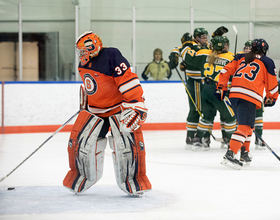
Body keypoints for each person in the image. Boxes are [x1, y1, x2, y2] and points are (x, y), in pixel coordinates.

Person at [63, 31, 152, 196]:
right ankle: (81, 176)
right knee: (81, 144)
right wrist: (86, 104)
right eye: (79, 51)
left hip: (118, 111)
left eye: (83, 50)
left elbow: (127, 79)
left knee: (127, 147)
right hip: (95, 112)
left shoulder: (111, 55)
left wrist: (136, 104)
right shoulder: (83, 65)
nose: (81, 54)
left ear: (92, 47)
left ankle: (134, 181)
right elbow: (94, 88)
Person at [216, 38, 279, 169]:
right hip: (249, 96)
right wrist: (271, 98)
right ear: (264, 50)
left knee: (246, 126)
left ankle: (244, 153)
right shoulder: (267, 61)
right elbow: (272, 85)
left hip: (234, 95)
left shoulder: (240, 57)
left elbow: (224, 71)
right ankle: (230, 154)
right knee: (245, 127)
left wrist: (221, 87)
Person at [179, 36, 236, 150]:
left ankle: (197, 139)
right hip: (219, 91)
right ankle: (231, 141)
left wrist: (186, 44)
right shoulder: (231, 58)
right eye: (225, 44)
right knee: (230, 117)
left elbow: (186, 55)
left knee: (207, 116)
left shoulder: (203, 53)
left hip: (205, 89)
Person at [168, 28, 210, 150]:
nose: (205, 39)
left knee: (206, 109)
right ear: (196, 38)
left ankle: (204, 136)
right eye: (202, 37)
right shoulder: (190, 45)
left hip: (206, 81)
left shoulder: (207, 46)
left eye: (206, 37)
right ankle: (192, 136)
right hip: (195, 81)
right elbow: (177, 49)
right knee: (196, 108)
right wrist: (174, 57)